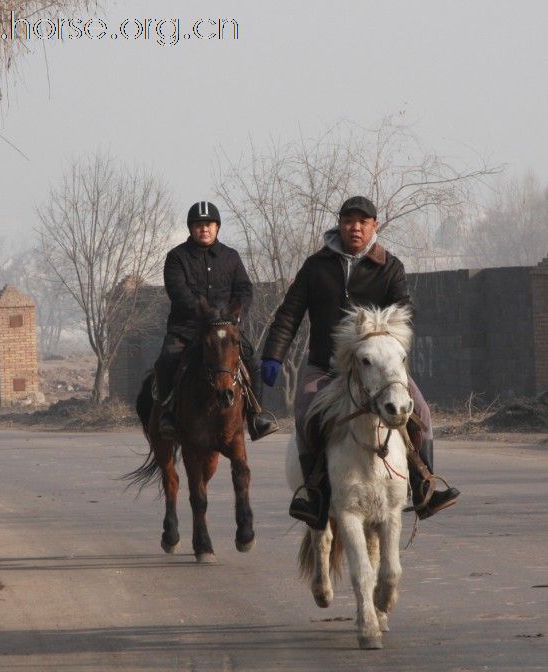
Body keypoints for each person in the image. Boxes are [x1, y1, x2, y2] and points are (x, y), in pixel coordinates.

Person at [261, 196, 460, 528]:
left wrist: (387, 332)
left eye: (363, 221)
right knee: (305, 411)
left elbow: (404, 312)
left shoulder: (389, 267)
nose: (355, 227)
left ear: (375, 226)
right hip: (326, 367)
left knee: (420, 410)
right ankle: (313, 494)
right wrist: (272, 355)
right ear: (339, 224)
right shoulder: (316, 266)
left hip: (379, 369)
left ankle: (424, 486)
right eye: (349, 220)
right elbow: (289, 314)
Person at [154, 200, 278, 441]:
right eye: (199, 225)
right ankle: (167, 414)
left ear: (217, 227)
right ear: (191, 228)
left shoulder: (230, 257)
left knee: (253, 361)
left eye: (209, 224)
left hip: (225, 329)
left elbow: (244, 288)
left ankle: (256, 416)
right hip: (187, 329)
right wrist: (206, 313)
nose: (204, 229)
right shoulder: (177, 257)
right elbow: (178, 291)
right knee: (167, 359)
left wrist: (237, 313)